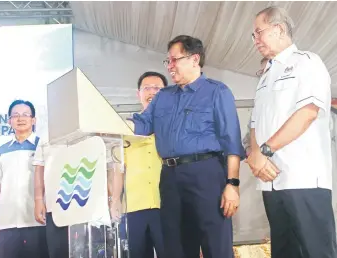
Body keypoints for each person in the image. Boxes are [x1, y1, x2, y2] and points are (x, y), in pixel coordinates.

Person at [131, 35, 244, 258]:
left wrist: (232, 184)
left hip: (206, 174)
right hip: (170, 178)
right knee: (176, 246)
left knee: (216, 245)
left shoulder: (217, 92)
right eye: (168, 62)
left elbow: (231, 141)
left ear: (194, 59)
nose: (170, 67)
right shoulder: (163, 97)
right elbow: (141, 125)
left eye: (175, 60)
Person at [247, 6, 337, 258]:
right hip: (271, 182)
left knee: (316, 251)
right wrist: (255, 155)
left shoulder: (307, 62)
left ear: (278, 29)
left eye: (258, 32)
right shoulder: (265, 75)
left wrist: (264, 151)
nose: (255, 40)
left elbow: (307, 113)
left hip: (303, 179)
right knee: (284, 251)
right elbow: (255, 123)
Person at [110, 71, 167, 258]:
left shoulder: (172, 125)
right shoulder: (126, 128)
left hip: (166, 203)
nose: (152, 92)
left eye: (157, 88)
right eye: (147, 88)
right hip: (134, 206)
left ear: (166, 93)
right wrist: (115, 199)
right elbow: (118, 168)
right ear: (138, 94)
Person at [0, 99, 47, 258]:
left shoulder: (44, 146)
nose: (20, 118)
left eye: (25, 114)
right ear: (9, 121)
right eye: (15, 115)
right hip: (6, 224)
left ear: (33, 120)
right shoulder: (2, 150)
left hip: (36, 221)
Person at [33, 137, 68, 257]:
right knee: (57, 251)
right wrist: (38, 199)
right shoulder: (46, 133)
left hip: (83, 203)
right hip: (54, 206)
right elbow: (39, 167)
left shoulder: (88, 125)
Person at [243, 57, 269, 157]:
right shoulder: (259, 104)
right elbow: (248, 135)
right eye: (261, 72)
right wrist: (249, 149)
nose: (263, 75)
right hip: (261, 165)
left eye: (267, 70)